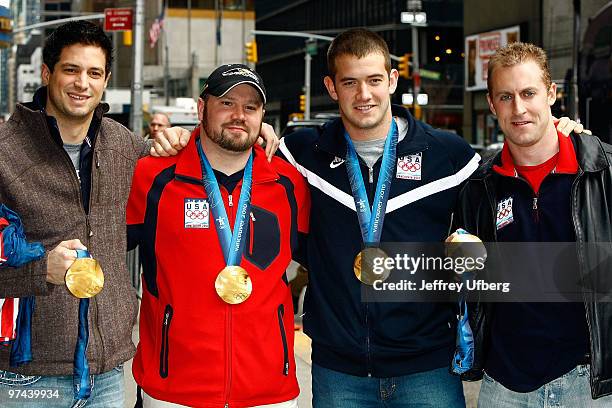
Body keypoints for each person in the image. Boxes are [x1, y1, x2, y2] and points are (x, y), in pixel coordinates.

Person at [0, 21, 278, 408]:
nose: (82, 83)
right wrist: (38, 270)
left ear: (106, 81)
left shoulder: (122, 146)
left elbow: (199, 151)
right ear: (47, 74)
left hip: (108, 374)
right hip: (25, 374)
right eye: (71, 70)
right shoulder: (6, 151)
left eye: (94, 73)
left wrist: (241, 129)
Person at [126, 63, 310, 408]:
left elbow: (328, 257)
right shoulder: (153, 176)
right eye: (226, 103)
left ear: (262, 117)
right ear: (201, 108)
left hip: (268, 392)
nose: (238, 115)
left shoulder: (288, 184)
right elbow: (103, 243)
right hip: (173, 391)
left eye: (250, 107)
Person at [451, 42, 612, 406]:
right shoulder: (479, 189)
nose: (519, 108)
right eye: (506, 97)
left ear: (551, 94)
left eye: (529, 93)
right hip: (504, 387)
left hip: (591, 387)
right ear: (492, 104)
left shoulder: (602, 173)